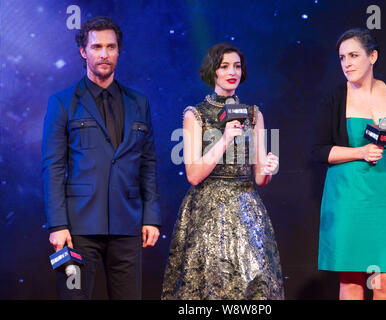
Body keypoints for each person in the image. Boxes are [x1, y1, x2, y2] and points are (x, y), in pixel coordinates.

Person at [41, 16, 161, 299]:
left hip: (127, 226)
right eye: (96, 47)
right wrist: (58, 224)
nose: (104, 54)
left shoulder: (138, 102)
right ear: (83, 51)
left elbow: (148, 163)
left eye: (111, 47)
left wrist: (151, 217)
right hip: (78, 229)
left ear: (119, 50)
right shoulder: (62, 101)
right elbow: (53, 166)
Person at [311, 28, 386, 300]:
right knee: (352, 279)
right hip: (348, 197)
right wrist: (360, 152)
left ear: (373, 56)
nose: (347, 63)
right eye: (342, 58)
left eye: (354, 55)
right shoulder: (334, 99)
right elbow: (319, 151)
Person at [161, 43, 284, 299]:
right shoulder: (195, 115)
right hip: (207, 212)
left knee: (253, 286)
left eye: (237, 66)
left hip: (246, 210)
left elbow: (260, 178)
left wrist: (270, 167)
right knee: (211, 286)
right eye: (224, 66)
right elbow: (194, 175)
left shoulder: (253, 114)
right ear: (213, 72)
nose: (232, 72)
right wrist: (225, 139)